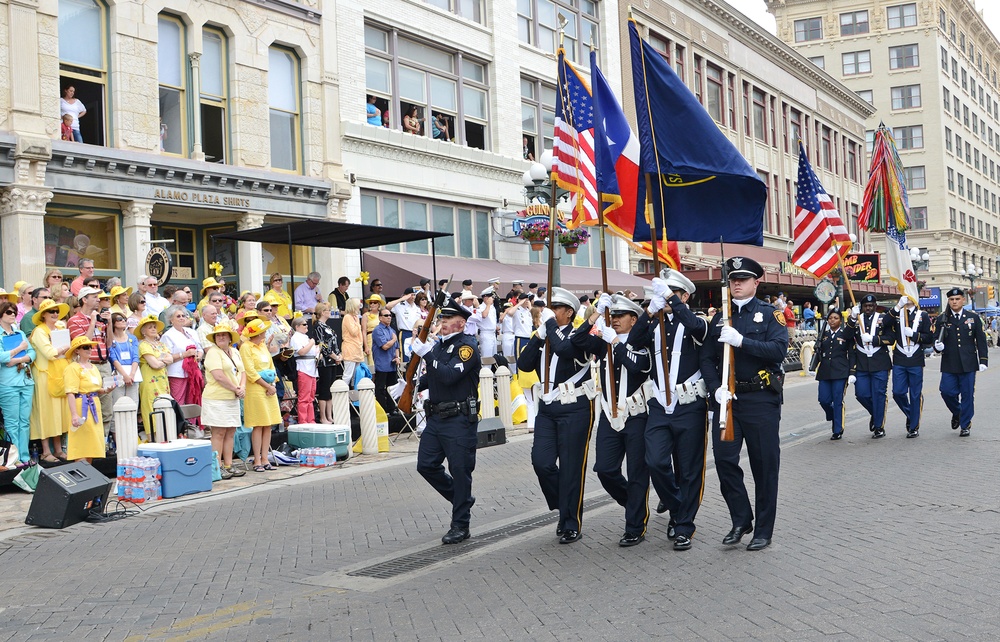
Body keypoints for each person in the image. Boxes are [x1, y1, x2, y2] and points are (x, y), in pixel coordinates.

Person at [707, 257, 787, 552]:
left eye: (743, 278)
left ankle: (764, 530)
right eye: (732, 279)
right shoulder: (720, 318)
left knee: (764, 465)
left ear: (756, 282)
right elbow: (706, 358)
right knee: (725, 461)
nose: (736, 283)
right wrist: (716, 389)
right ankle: (741, 518)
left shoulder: (769, 315)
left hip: (760, 400)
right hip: (727, 401)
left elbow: (779, 350)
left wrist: (742, 341)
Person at [635, 269, 712, 550]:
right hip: (659, 405)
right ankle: (678, 507)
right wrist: (649, 312)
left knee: (690, 469)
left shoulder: (697, 322)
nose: (666, 298)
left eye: (672, 293)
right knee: (655, 460)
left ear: (685, 296)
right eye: (663, 293)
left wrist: (671, 300)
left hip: (689, 405)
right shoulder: (655, 325)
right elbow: (632, 341)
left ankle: (684, 527)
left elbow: (696, 328)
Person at [517, 287, 600, 544]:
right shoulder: (544, 335)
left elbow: (566, 350)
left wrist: (549, 327)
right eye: (549, 308)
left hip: (575, 407)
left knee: (572, 467)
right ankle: (563, 502)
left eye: (556, 308)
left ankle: (570, 522)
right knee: (541, 462)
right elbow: (524, 364)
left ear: (569, 312)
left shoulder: (579, 335)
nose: (550, 312)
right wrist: (538, 337)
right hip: (548, 409)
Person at [572, 294, 652, 547]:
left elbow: (637, 365)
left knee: (638, 473)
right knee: (605, 469)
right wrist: (596, 312)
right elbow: (577, 340)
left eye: (620, 316)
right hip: (609, 414)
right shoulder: (602, 341)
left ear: (633, 319)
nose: (615, 319)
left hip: (636, 415)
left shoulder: (642, 342)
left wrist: (615, 341)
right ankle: (633, 503)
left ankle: (635, 526)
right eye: (613, 315)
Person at [409, 299, 481, 544]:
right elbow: (434, 377)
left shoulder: (467, 347)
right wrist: (411, 384)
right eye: (441, 319)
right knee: (426, 465)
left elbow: (450, 375)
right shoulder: (439, 347)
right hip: (436, 418)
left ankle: (461, 524)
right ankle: (462, 498)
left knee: (460, 472)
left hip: (459, 419)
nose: (441, 323)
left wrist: (427, 353)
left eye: (447, 319)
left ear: (460, 323)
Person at [934, 288, 988, 436]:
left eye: (957, 299)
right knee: (946, 392)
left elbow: (981, 340)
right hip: (949, 363)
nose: (954, 302)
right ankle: (957, 412)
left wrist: (983, 360)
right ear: (948, 301)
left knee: (967, 394)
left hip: (968, 362)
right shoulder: (942, 319)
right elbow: (935, 339)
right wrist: (937, 346)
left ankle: (965, 424)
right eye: (952, 299)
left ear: (963, 300)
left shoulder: (973, 317)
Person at [66, 286, 114, 444]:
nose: (98, 299)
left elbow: (109, 343)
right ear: (84, 299)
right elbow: (81, 344)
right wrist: (92, 321)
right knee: (86, 405)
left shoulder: (101, 318)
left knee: (107, 407)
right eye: (94, 296)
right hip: (87, 364)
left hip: (103, 363)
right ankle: (88, 442)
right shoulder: (74, 320)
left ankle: (104, 441)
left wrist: (109, 323)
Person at [29, 299, 72, 462]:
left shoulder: (61, 327)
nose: (55, 314)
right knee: (46, 413)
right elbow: (49, 353)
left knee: (60, 413)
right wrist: (64, 348)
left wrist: (65, 348)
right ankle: (46, 451)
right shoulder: (39, 331)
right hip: (45, 375)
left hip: (61, 373)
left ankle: (59, 450)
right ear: (43, 315)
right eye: (51, 311)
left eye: (56, 311)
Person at [203, 324, 247, 479]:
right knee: (219, 432)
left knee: (231, 431)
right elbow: (219, 376)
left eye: (224, 334)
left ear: (230, 337)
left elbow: (242, 371)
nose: (221, 337)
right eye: (218, 335)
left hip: (232, 398)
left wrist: (241, 387)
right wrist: (236, 389)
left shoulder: (234, 351)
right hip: (217, 398)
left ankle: (229, 464)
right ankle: (217, 466)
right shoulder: (213, 353)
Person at [846, 294, 894, 438]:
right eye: (866, 306)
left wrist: (874, 339)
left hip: (880, 362)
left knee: (879, 395)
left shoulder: (882, 319)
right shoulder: (856, 319)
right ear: (862, 307)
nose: (868, 308)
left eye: (871, 306)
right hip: (861, 364)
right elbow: (847, 335)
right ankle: (875, 413)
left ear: (875, 306)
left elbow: (890, 339)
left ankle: (879, 427)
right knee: (861, 394)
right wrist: (852, 318)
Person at [887, 295, 933, 438]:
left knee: (914, 394)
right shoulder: (896, 313)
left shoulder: (923, 315)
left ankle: (913, 427)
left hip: (915, 359)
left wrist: (914, 335)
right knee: (898, 392)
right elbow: (885, 323)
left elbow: (928, 338)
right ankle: (912, 413)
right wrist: (897, 307)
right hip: (900, 358)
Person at [240, 318, 282, 471]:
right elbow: (249, 371)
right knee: (258, 424)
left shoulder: (263, 345)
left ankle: (265, 458)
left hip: (268, 387)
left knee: (268, 424)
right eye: (263, 331)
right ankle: (257, 459)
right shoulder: (246, 347)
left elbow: (271, 366)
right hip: (256, 388)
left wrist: (273, 384)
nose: (265, 333)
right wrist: (266, 385)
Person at [64, 336, 112, 462]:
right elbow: (70, 392)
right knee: (81, 442)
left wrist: (106, 390)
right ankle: (81, 474)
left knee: (91, 443)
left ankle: (89, 472)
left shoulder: (93, 367)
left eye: (90, 347)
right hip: (81, 405)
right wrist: (74, 414)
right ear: (77, 351)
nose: (89, 349)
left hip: (94, 404)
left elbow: (96, 388)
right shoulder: (73, 368)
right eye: (85, 347)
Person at [0, 301, 35, 463]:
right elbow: (1, 357)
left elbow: (32, 353)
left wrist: (18, 359)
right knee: (12, 422)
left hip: (26, 380)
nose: (13, 314)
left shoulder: (19, 332)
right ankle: (13, 458)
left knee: (24, 422)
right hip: (8, 383)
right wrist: (17, 350)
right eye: (8, 312)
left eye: (14, 311)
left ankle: (25, 457)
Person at [812, 309, 855, 440]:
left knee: (837, 401)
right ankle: (832, 415)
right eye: (830, 318)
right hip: (825, 372)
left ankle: (837, 429)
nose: (832, 320)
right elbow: (818, 352)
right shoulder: (823, 335)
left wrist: (852, 372)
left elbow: (851, 354)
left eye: (835, 318)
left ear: (840, 321)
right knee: (823, 400)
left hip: (840, 372)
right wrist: (812, 366)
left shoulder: (845, 335)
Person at [136, 314, 172, 435]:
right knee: (151, 406)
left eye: (154, 327)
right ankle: (153, 435)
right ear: (143, 331)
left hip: (163, 380)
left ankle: (165, 434)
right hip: (149, 381)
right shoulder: (143, 345)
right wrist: (163, 362)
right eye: (149, 327)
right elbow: (154, 364)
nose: (153, 329)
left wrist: (159, 362)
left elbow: (170, 359)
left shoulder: (161, 344)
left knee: (165, 404)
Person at [311, 303, 342, 424]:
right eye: (328, 310)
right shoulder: (318, 326)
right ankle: (323, 416)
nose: (330, 312)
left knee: (330, 389)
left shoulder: (327, 326)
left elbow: (334, 342)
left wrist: (339, 355)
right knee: (324, 389)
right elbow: (322, 344)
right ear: (323, 312)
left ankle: (330, 415)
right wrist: (334, 356)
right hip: (325, 362)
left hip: (333, 361)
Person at [108, 312, 141, 412]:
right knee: (118, 403)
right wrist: (124, 375)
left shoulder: (132, 338)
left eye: (124, 319)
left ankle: (132, 427)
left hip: (133, 373)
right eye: (119, 319)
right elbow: (113, 358)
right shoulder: (110, 339)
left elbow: (136, 356)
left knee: (133, 403)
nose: (123, 321)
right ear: (113, 322)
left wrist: (132, 374)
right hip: (118, 373)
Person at [289, 316, 319, 423]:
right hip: (303, 367)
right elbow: (301, 352)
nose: (307, 326)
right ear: (297, 327)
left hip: (312, 367)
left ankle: (311, 419)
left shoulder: (305, 337)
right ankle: (303, 420)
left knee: (311, 396)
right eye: (304, 324)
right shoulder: (295, 338)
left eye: (307, 324)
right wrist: (311, 343)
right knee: (304, 396)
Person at [372, 305, 399, 414]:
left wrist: (397, 357)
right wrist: (393, 339)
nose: (389, 317)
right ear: (380, 317)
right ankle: (382, 410)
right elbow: (384, 346)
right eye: (386, 315)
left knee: (392, 387)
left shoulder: (392, 330)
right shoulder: (377, 330)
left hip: (392, 364)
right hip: (382, 364)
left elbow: (396, 347)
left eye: (390, 315)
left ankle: (392, 408)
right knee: (380, 388)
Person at [341, 297, 365, 386]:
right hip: (350, 348)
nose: (360, 307)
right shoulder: (347, 317)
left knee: (357, 375)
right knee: (348, 375)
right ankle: (342, 394)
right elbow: (354, 332)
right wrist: (358, 323)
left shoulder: (355, 317)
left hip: (357, 348)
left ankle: (355, 396)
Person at [476, 287, 498, 358]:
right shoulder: (481, 307)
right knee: (487, 358)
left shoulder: (492, 307)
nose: (493, 299)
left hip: (493, 334)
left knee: (494, 357)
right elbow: (484, 315)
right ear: (485, 298)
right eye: (491, 297)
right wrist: (488, 305)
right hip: (486, 334)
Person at [364, 295, 381, 368]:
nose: (372, 304)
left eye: (375, 302)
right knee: (372, 363)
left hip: (381, 338)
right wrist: (366, 346)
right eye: (371, 303)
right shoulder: (366, 315)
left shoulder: (382, 314)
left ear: (379, 304)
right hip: (370, 338)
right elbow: (363, 331)